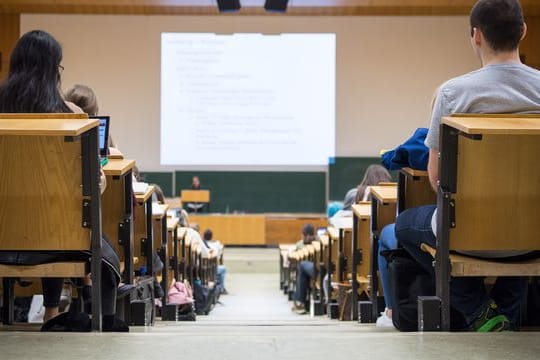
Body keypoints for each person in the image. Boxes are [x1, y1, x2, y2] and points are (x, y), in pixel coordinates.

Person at [395, 0, 540, 331]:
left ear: (476, 36)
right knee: (520, 218)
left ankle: (480, 310)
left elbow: (435, 178)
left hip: (467, 233)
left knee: (403, 226)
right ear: (523, 30)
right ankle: (506, 310)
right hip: (534, 232)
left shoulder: (453, 93)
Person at [0, 30, 127, 331]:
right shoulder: (72, 117)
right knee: (58, 217)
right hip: (57, 240)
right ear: (53, 69)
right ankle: (85, 313)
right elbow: (96, 184)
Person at [291, 223, 316, 315]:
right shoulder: (299, 244)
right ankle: (299, 302)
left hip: (317, 269)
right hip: (312, 270)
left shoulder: (317, 244)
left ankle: (299, 302)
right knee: (302, 274)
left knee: (301, 267)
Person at [203, 229, 228, 295]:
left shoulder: (202, 244)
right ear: (211, 236)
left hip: (202, 267)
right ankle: (222, 288)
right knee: (223, 269)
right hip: (212, 268)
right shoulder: (217, 243)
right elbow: (219, 255)